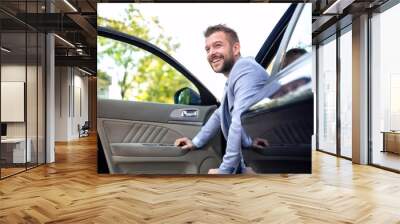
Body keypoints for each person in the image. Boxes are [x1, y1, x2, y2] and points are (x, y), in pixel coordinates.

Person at [174, 24, 269, 174]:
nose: (211, 53)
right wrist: (196, 142)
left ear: (236, 48)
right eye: (208, 49)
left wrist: (225, 171)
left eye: (217, 46)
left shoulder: (246, 69)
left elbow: (239, 120)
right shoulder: (233, 77)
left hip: (263, 164)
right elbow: (220, 114)